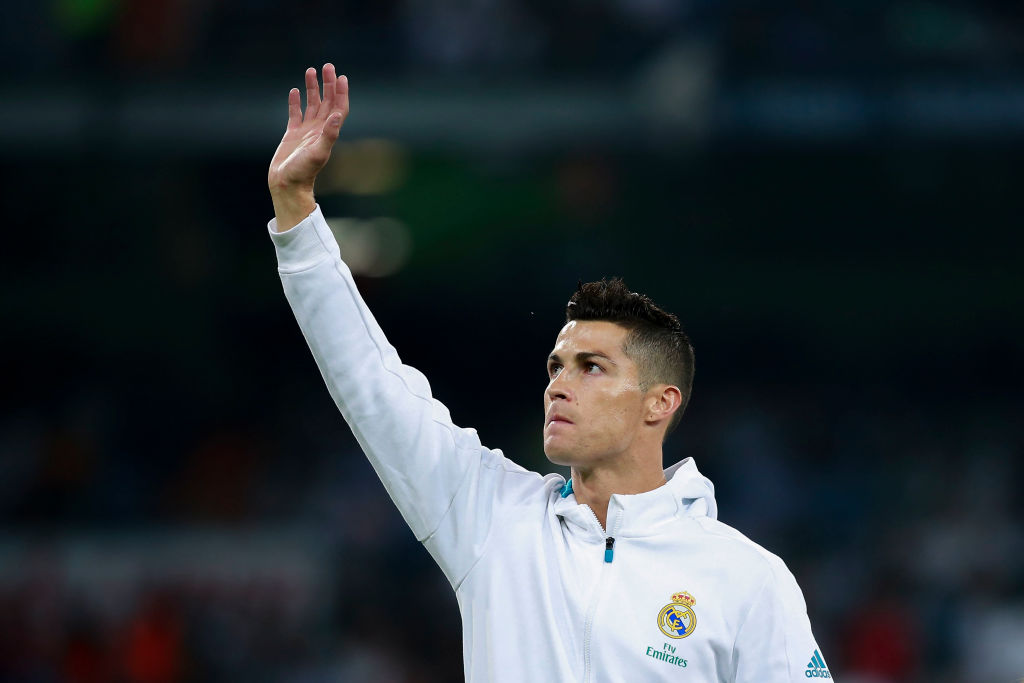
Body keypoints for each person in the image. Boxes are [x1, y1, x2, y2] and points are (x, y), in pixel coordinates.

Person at [266, 64, 832, 682]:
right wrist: (296, 212)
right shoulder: (490, 517)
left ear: (659, 402)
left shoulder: (745, 579)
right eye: (556, 366)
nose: (559, 385)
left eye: (592, 368)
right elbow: (371, 385)